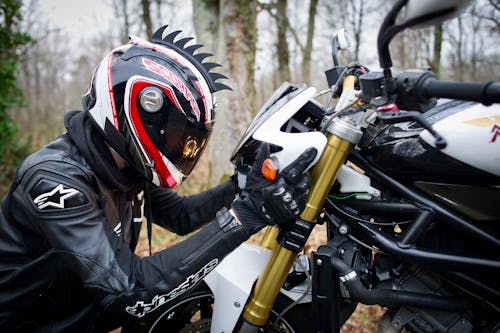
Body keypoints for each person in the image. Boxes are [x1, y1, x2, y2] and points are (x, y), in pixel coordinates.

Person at [0, 25, 317, 332]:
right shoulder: (55, 179)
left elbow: (182, 216)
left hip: (79, 312)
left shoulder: (123, 164)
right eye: (178, 135)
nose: (183, 148)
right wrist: (246, 216)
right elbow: (127, 290)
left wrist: (243, 184)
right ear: (139, 111)